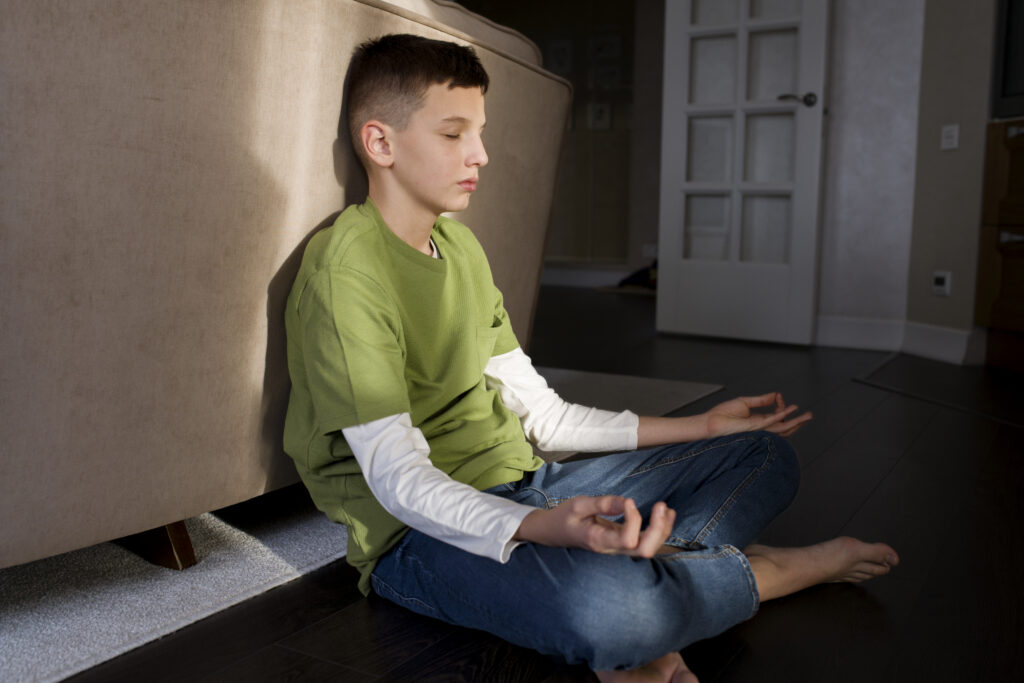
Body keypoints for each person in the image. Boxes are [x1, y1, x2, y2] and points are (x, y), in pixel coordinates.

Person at [283, 33, 899, 683]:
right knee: (615, 610)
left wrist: (703, 427)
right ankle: (769, 572)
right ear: (380, 143)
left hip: (532, 482)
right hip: (418, 538)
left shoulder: (460, 248)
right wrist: (543, 527)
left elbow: (543, 417)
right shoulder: (345, 273)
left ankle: (669, 584)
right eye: (453, 134)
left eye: (480, 132)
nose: (481, 155)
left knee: (764, 454)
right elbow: (400, 484)